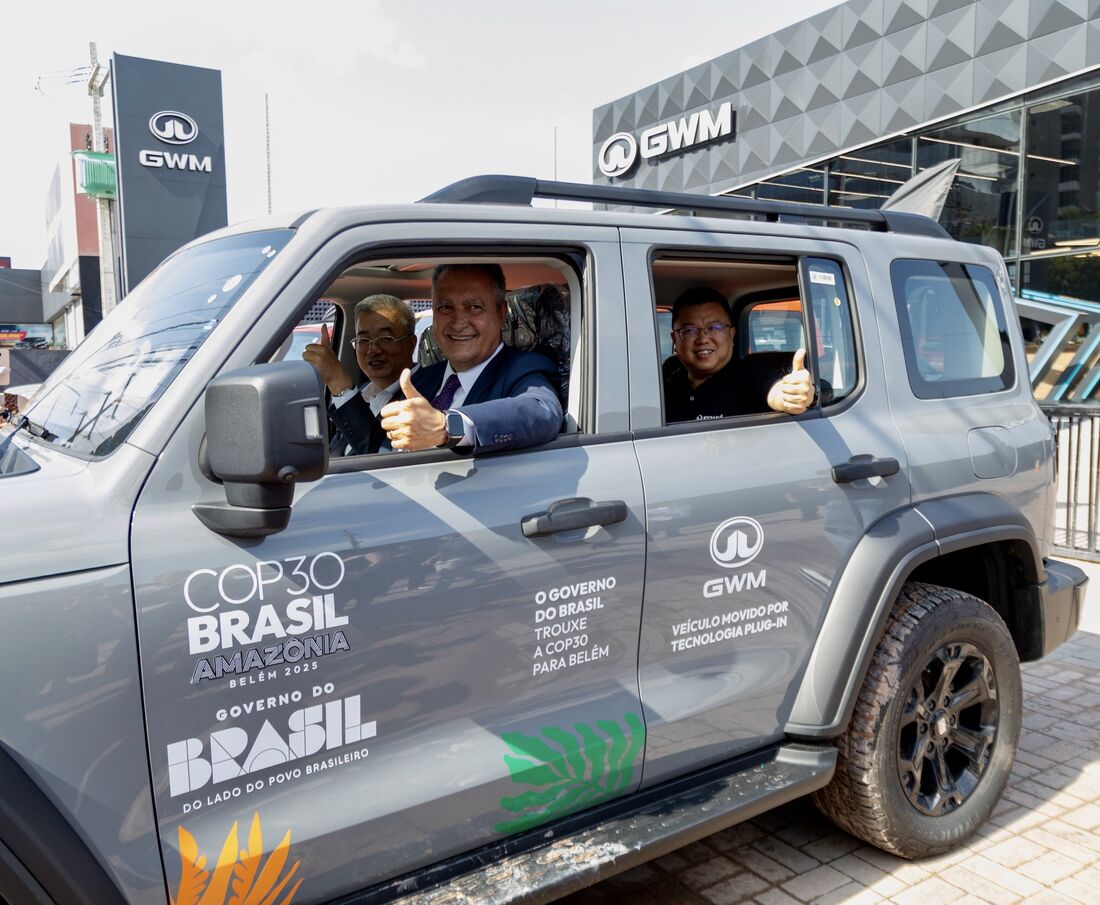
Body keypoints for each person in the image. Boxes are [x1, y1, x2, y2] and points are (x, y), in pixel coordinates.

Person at [320, 263, 563, 456]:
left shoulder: (523, 369)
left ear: (501, 313)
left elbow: (541, 412)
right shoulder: (425, 377)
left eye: (474, 307)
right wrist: (338, 383)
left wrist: (447, 427)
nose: (458, 322)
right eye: (445, 307)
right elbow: (377, 447)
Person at [664, 287, 813, 423]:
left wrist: (792, 396)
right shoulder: (668, 371)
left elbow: (774, 391)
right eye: (689, 331)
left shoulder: (751, 374)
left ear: (731, 334)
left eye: (714, 328)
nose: (703, 339)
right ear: (674, 339)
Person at [303, 294, 417, 456]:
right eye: (363, 340)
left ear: (411, 344)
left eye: (385, 338)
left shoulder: (425, 391)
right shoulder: (361, 392)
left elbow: (382, 456)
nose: (373, 350)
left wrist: (338, 382)